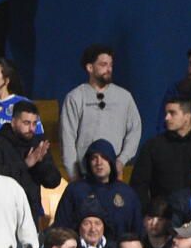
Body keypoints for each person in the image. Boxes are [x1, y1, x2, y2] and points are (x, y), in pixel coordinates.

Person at [133, 95, 191, 222]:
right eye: (166, 113)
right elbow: (139, 184)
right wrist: (149, 214)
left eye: (172, 113)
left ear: (187, 116)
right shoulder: (153, 146)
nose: (166, 118)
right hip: (163, 219)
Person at [59, 45, 141, 177]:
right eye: (103, 64)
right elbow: (67, 138)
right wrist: (74, 177)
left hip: (114, 173)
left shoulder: (124, 97)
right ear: (90, 68)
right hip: (85, 174)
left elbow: (135, 130)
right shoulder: (75, 97)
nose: (109, 69)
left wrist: (121, 161)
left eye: (111, 65)